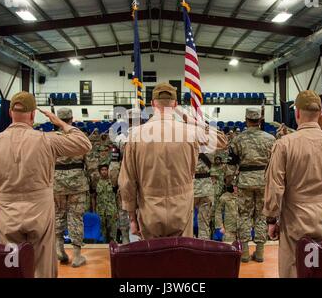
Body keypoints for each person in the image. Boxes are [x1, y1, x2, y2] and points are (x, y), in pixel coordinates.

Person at [0, 91, 92, 278]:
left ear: (9, 112)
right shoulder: (46, 140)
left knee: (12, 267)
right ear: (32, 114)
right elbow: (84, 144)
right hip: (40, 214)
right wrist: (61, 123)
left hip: (8, 214)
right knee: (43, 269)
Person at [118, 83, 227, 239]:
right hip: (182, 207)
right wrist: (194, 121)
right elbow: (222, 141)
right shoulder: (190, 131)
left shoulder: (136, 134)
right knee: (180, 257)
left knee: (154, 257)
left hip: (149, 207)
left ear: (152, 104)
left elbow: (127, 181)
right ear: (175, 104)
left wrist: (132, 218)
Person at [263, 90, 322, 278]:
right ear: (321, 114)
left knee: (293, 266)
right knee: (320, 266)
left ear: (297, 113)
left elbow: (275, 186)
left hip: (295, 216)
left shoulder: (285, 144)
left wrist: (271, 219)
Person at [231, 107, 275, 263]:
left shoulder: (238, 139)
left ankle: (244, 253)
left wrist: (231, 181)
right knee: (261, 215)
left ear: (246, 119)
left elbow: (232, 163)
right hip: (263, 180)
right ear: (260, 120)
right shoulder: (270, 139)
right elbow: (274, 164)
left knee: (244, 215)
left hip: (244, 181)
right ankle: (260, 252)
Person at [53, 107, 90, 268]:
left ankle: (59, 250)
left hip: (56, 183)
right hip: (77, 184)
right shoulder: (79, 137)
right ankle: (76, 256)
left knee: (58, 216)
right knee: (76, 218)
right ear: (71, 119)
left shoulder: (50, 138)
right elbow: (90, 164)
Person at [93, 164, 118, 242]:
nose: (104, 171)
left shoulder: (113, 182)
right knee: (101, 229)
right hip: (100, 210)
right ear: (100, 171)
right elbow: (93, 197)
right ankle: (102, 244)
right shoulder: (96, 183)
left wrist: (117, 210)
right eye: (102, 170)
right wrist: (94, 210)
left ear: (108, 171)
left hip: (111, 209)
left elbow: (117, 197)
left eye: (105, 170)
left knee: (113, 229)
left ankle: (113, 243)